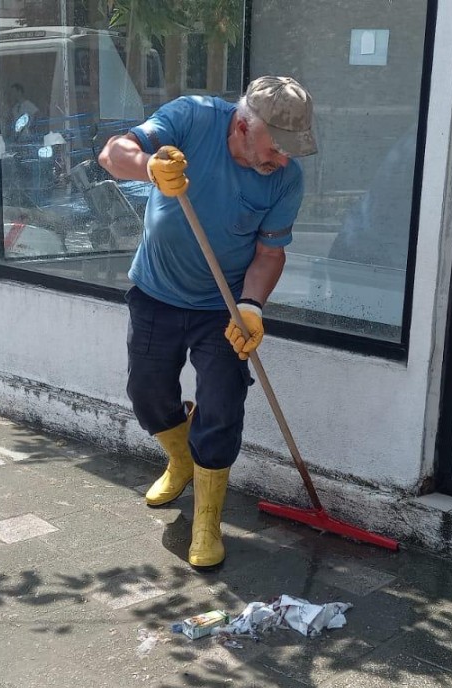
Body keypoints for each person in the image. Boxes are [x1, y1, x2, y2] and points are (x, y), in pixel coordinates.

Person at [98, 76, 316, 571]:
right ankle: (180, 461)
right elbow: (113, 153)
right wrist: (150, 168)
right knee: (147, 394)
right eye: (277, 147)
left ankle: (207, 520)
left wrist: (252, 307)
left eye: (292, 150)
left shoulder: (285, 178)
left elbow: (269, 252)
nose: (282, 159)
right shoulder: (193, 117)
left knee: (221, 405)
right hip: (156, 291)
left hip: (224, 305)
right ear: (242, 125)